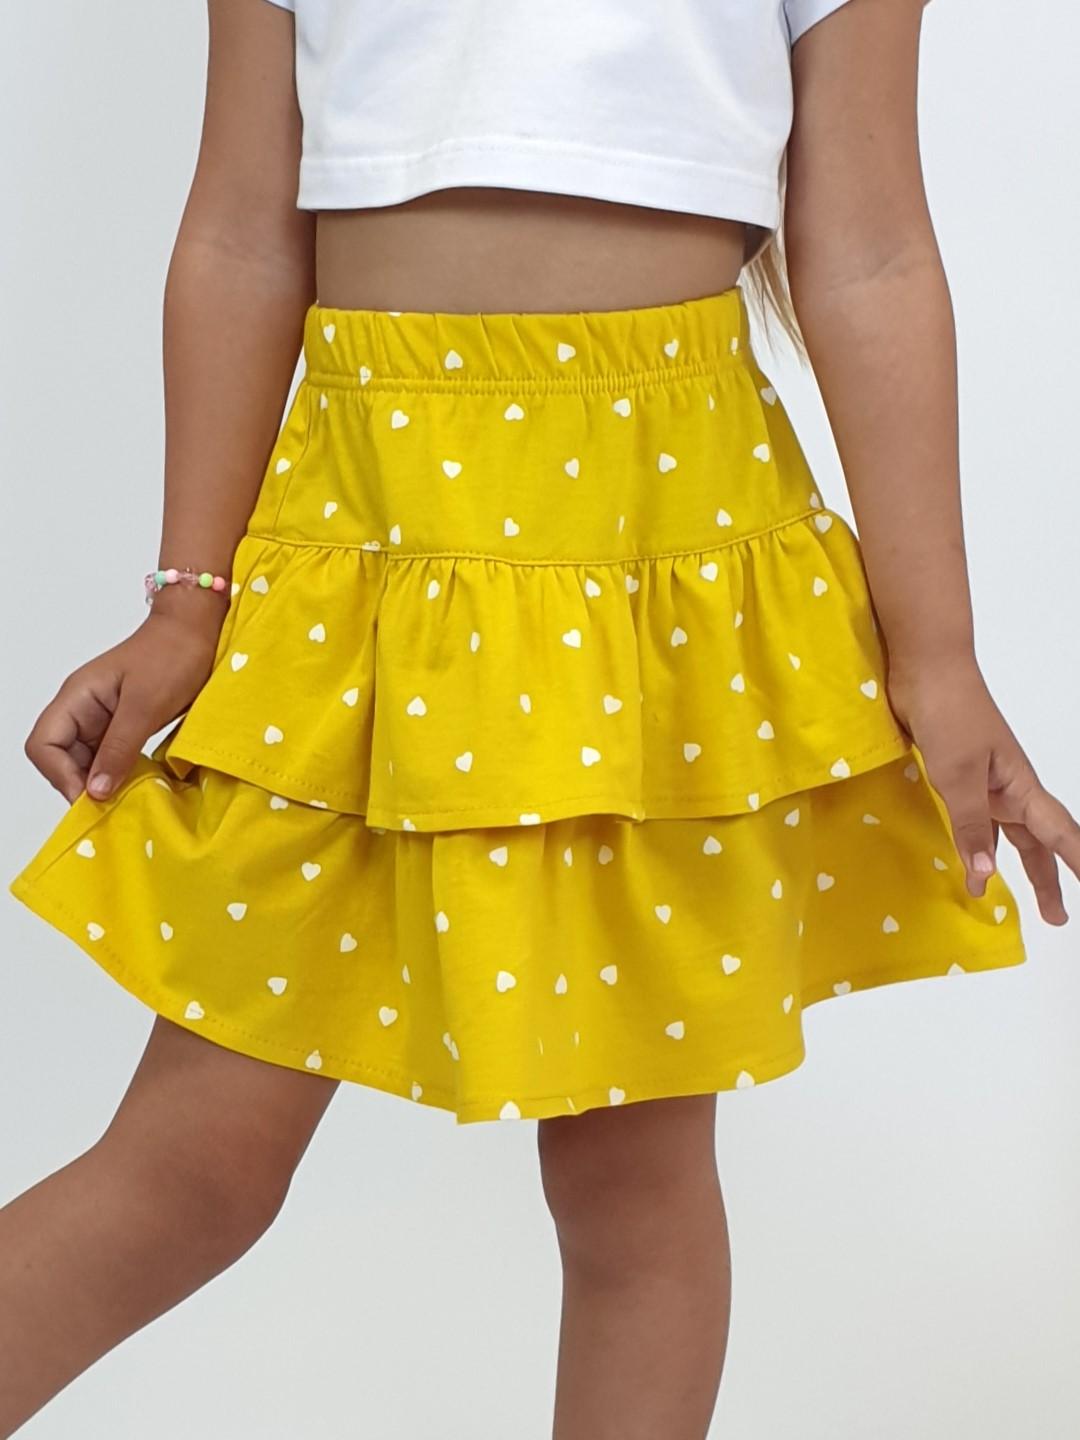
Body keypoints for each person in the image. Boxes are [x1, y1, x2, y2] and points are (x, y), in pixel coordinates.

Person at [4, 1, 1079, 1435]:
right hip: (365, 552)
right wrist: (187, 603)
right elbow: (241, 233)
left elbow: (871, 248)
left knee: (633, 1186)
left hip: (662, 559)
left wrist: (938, 658)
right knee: (195, 1159)